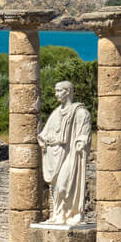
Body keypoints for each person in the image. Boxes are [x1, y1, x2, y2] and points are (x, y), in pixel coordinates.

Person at [37, 80, 92, 225]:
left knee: (64, 186)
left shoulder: (80, 112)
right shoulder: (55, 113)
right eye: (55, 91)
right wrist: (43, 139)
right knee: (55, 189)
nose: (56, 94)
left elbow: (84, 133)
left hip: (71, 154)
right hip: (54, 155)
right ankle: (59, 215)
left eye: (59, 90)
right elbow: (44, 133)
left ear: (67, 91)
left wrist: (81, 141)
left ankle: (73, 213)